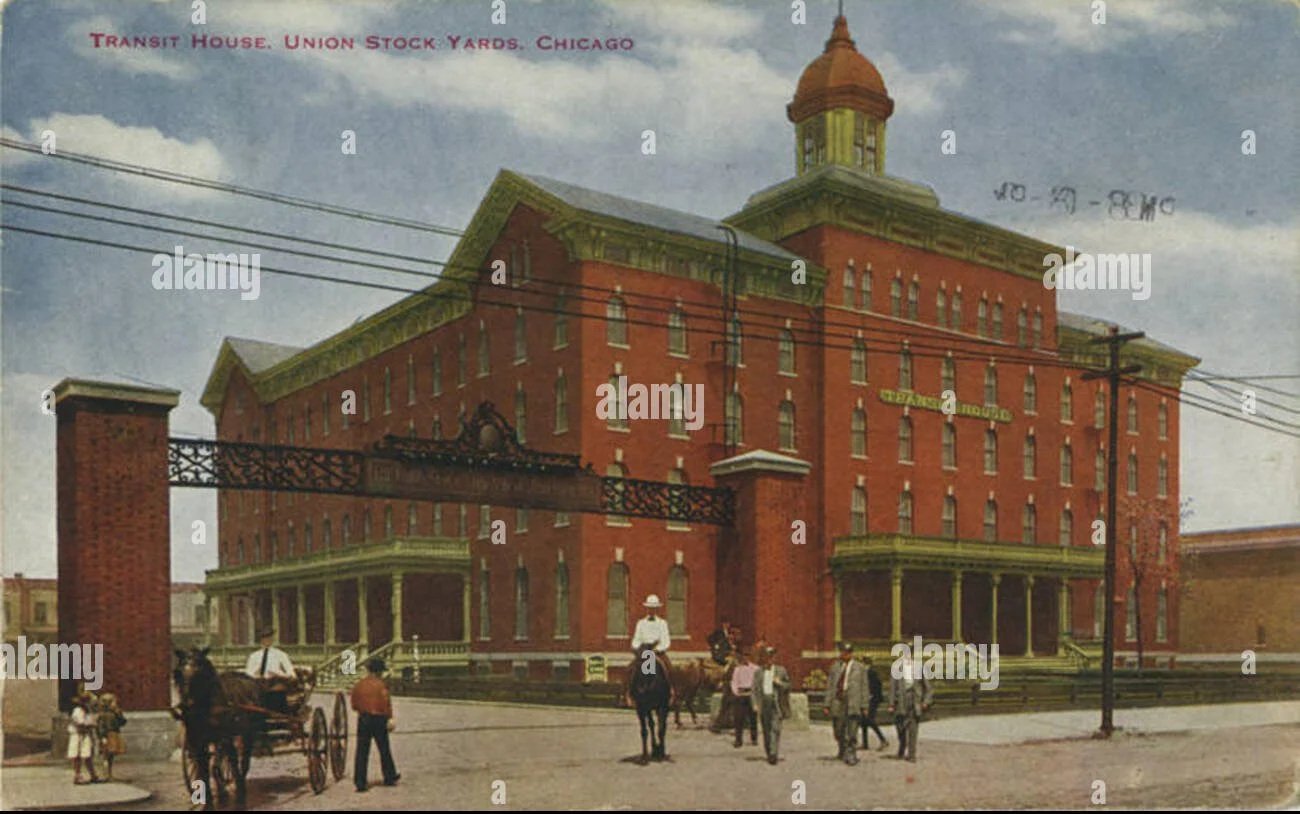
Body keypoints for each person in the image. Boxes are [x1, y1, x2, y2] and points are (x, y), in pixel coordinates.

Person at [351, 657, 400, 792]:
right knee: (384, 749)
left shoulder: (359, 685)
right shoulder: (381, 685)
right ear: (379, 671)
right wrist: (390, 718)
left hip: (364, 719)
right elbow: (385, 703)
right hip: (379, 719)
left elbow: (354, 704)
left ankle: (360, 781)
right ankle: (389, 776)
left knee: (362, 751)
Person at [824, 641, 869, 765]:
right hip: (839, 700)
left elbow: (864, 688)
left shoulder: (860, 668)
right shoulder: (835, 667)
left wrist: (864, 705)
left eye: (847, 652)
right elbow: (830, 686)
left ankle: (851, 753)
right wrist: (827, 704)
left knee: (852, 729)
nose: (844, 655)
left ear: (851, 653)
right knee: (838, 729)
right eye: (843, 652)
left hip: (853, 701)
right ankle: (842, 748)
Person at [624, 594, 673, 706]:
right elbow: (636, 639)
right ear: (647, 609)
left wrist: (657, 649)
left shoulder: (662, 623)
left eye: (654, 608)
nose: (651, 610)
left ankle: (671, 692)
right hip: (644, 651)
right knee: (630, 669)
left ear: (657, 609)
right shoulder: (641, 623)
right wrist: (637, 648)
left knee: (669, 669)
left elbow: (666, 641)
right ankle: (628, 695)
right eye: (650, 608)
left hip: (657, 651)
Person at [888, 651, 934, 762]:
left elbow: (929, 688)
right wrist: (891, 704)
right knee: (900, 727)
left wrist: (926, 701)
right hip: (901, 701)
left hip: (914, 701)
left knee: (913, 728)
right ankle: (902, 744)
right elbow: (892, 688)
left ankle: (912, 754)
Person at [751, 645, 791, 765]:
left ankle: (773, 753)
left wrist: (780, 683)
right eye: (767, 657)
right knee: (767, 729)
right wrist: (755, 704)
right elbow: (754, 689)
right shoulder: (758, 672)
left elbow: (788, 686)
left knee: (775, 729)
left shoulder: (781, 671)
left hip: (776, 702)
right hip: (764, 702)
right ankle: (769, 750)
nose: (769, 660)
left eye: (771, 657)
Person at [244, 627, 296, 714]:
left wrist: (278, 674)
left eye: (269, 638)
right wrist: (255, 674)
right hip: (257, 688)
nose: (267, 640)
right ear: (261, 640)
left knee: (276, 691)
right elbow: (247, 674)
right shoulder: (253, 656)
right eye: (264, 638)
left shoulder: (281, 655)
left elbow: (291, 674)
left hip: (274, 688)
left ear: (272, 639)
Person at [67, 692, 100, 784]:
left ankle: (93, 774)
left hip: (86, 735)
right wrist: (90, 724)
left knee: (87, 755)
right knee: (76, 755)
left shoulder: (88, 711)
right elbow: (80, 723)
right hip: (78, 735)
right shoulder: (78, 710)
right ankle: (77, 775)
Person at [858, 656, 889, 752]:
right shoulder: (865, 673)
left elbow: (876, 686)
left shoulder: (871, 673)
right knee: (863, 722)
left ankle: (883, 739)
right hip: (867, 699)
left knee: (870, 720)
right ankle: (865, 743)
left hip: (872, 700)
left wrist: (872, 696)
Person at [728, 648, 758, 748]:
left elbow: (757, 682)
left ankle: (754, 738)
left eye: (748, 655)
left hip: (751, 695)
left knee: (753, 718)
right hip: (740, 695)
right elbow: (734, 681)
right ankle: (738, 740)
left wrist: (755, 694)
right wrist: (736, 692)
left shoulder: (755, 669)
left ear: (750, 657)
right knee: (738, 719)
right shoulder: (738, 669)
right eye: (744, 656)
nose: (746, 658)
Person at [95, 693, 127, 781]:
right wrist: (102, 737)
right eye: (113, 702)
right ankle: (106, 774)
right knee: (106, 755)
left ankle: (109, 773)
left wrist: (118, 713)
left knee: (111, 755)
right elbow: (100, 726)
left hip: (114, 734)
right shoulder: (103, 715)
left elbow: (123, 722)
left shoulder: (115, 713)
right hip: (107, 735)